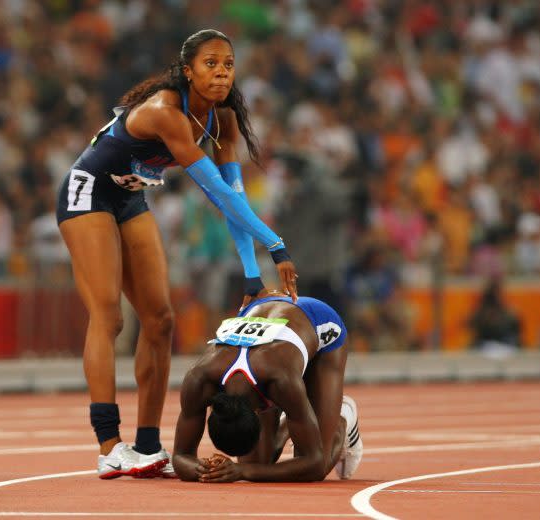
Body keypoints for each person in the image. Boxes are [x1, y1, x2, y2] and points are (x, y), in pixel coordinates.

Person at [56, 29, 298, 479]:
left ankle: (148, 446)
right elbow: (217, 195)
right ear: (188, 71)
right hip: (88, 194)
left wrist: (251, 274)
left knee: (161, 319)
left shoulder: (221, 120)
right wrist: (276, 245)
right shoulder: (167, 112)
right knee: (108, 317)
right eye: (210, 64)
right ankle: (109, 444)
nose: (221, 72)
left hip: (129, 199)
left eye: (228, 64)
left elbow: (234, 193)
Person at [172, 291, 362, 482]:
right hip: (264, 316)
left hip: (320, 323)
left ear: (257, 412)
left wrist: (243, 471)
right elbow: (180, 456)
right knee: (257, 463)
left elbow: (314, 464)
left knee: (320, 461)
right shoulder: (198, 379)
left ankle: (343, 418)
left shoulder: (281, 381)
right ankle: (297, 417)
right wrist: (204, 469)